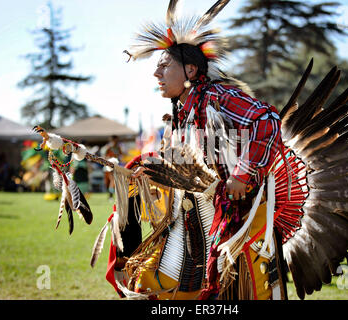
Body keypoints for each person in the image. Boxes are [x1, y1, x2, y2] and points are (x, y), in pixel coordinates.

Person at [107, 0, 287, 300]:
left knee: (241, 293)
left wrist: (242, 174)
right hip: (190, 221)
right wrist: (152, 172)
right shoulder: (181, 113)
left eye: (164, 65)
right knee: (153, 286)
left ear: (191, 70)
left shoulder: (216, 96)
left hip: (236, 221)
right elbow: (184, 165)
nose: (156, 74)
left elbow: (267, 120)